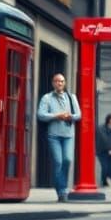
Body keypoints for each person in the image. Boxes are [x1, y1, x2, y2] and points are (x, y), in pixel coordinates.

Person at [37, 73, 81, 202]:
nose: (59, 83)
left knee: (67, 160)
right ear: (53, 83)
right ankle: (62, 191)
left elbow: (79, 115)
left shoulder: (72, 97)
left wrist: (70, 116)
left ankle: (62, 188)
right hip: (53, 136)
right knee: (58, 162)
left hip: (68, 135)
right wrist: (56, 116)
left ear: (65, 83)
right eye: (56, 81)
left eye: (61, 81)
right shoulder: (47, 98)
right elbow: (41, 115)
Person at [96, 113, 111, 189]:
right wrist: (110, 148)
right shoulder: (102, 128)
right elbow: (104, 139)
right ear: (109, 119)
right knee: (105, 167)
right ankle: (104, 181)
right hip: (102, 151)